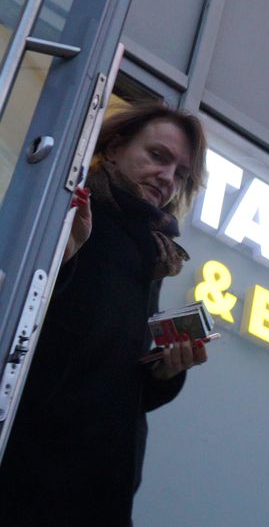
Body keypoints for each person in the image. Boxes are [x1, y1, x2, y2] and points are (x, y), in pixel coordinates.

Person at [0, 101, 211, 525]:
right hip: (29, 470)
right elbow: (21, 323)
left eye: (181, 174)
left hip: (100, 488)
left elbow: (112, 376)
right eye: (157, 156)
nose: (168, 178)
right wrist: (63, 262)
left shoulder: (153, 254)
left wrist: (164, 373)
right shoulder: (69, 209)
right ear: (113, 148)